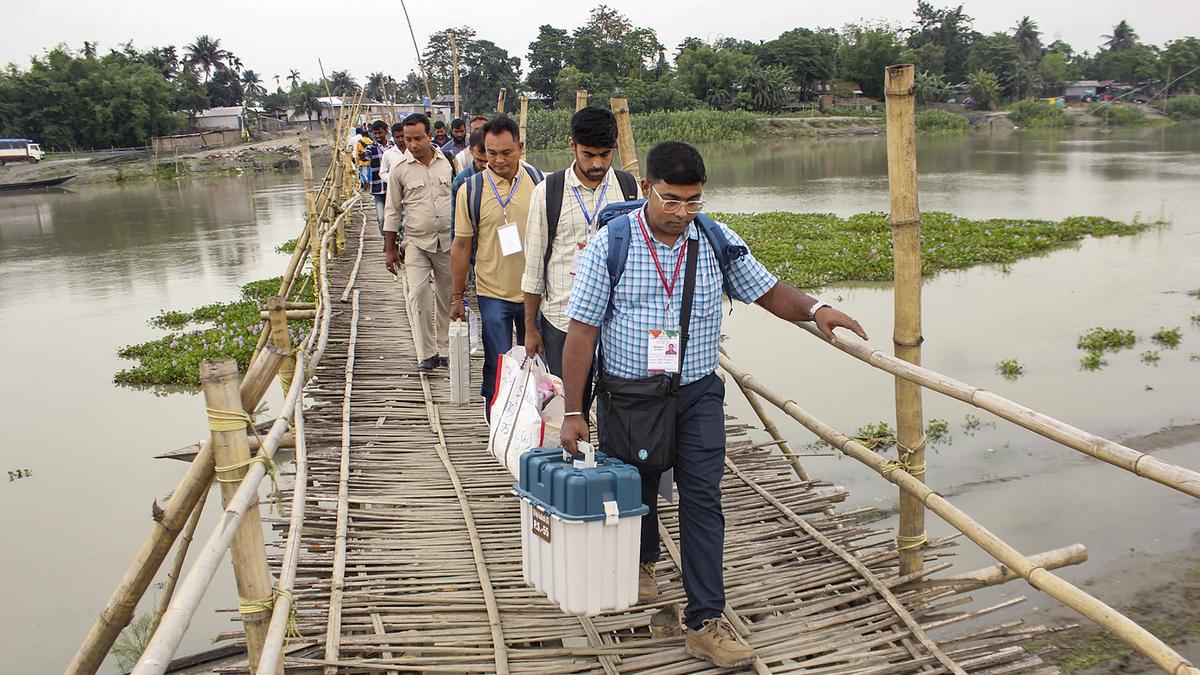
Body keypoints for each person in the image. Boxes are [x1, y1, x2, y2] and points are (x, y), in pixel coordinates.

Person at [559, 141, 867, 669]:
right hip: (630, 395)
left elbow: (768, 290)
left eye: (694, 201)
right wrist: (572, 411)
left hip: (697, 392)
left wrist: (818, 309)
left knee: (703, 499)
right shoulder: (611, 243)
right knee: (639, 486)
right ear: (648, 187)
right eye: (672, 200)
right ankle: (643, 559)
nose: (682, 213)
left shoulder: (715, 239)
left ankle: (704, 620)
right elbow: (582, 330)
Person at [521, 106, 640, 415]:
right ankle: (572, 459)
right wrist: (530, 328)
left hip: (617, 321)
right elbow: (534, 267)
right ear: (571, 144)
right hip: (563, 319)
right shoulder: (548, 192)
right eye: (589, 155)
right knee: (568, 407)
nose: (598, 163)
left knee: (619, 404)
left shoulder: (628, 189)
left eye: (605, 154)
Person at [449, 115, 544, 414]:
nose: (499, 160)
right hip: (493, 293)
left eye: (506, 152)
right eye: (492, 153)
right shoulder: (471, 190)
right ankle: (497, 422)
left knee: (540, 362)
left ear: (520, 147)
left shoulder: (541, 184)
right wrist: (456, 296)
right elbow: (461, 245)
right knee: (498, 361)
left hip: (537, 292)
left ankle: (535, 422)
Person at [383, 113, 457, 371]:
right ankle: (427, 353)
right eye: (406, 139)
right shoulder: (399, 169)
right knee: (419, 294)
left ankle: (446, 348)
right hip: (415, 242)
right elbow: (392, 210)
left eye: (417, 138)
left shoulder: (449, 163)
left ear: (430, 135)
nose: (412, 144)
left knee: (447, 296)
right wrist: (389, 248)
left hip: (448, 241)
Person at [360, 120, 393, 227]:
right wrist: (363, 156)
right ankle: (386, 239)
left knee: (394, 216)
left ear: (386, 131)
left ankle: (393, 240)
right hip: (378, 187)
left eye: (380, 133)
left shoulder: (392, 147)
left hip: (393, 187)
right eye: (375, 133)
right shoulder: (371, 148)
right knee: (381, 218)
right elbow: (366, 155)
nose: (377, 136)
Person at [379, 122, 409, 237]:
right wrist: (393, 179)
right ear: (393, 137)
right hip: (394, 193)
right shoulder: (388, 154)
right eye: (397, 137)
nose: (400, 140)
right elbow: (382, 173)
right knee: (393, 219)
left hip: (411, 192)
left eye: (403, 136)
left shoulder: (413, 152)